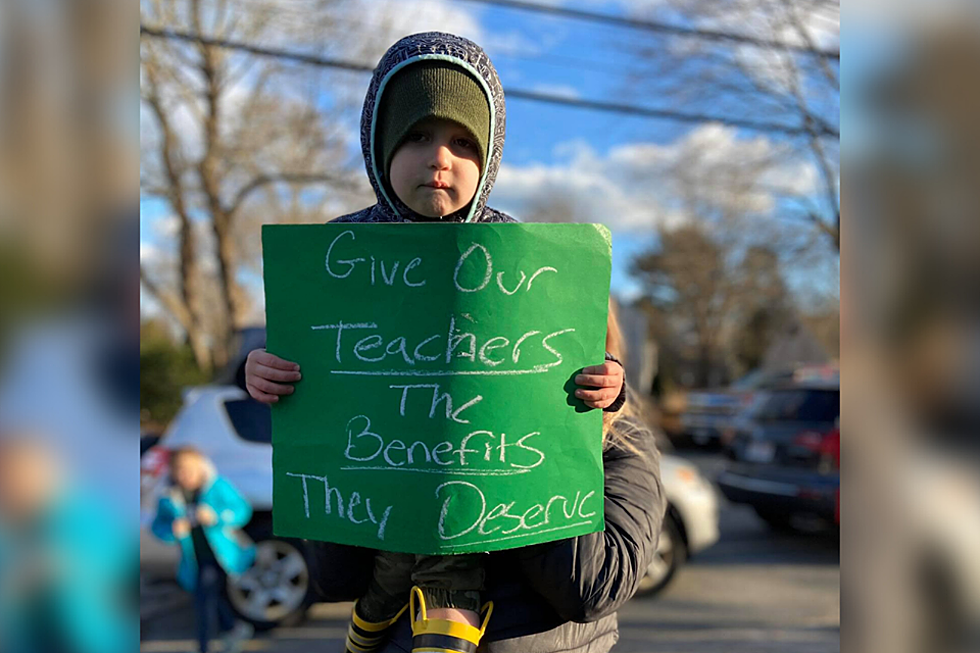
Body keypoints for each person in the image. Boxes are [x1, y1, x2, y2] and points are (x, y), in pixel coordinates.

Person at [243, 31, 655, 653]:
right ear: (378, 145)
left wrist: (599, 396)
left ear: (489, 160)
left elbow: (591, 584)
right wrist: (269, 378)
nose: (440, 157)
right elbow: (334, 567)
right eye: (417, 135)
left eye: (464, 142)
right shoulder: (339, 267)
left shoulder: (522, 267)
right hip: (385, 551)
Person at [150, 447, 256, 653]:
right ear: (172, 471)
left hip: (223, 557)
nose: (185, 475)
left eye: (190, 469)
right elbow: (157, 526)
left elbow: (242, 510)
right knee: (211, 597)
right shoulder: (169, 497)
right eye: (179, 470)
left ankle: (204, 646)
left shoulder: (217, 487)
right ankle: (233, 627)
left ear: (201, 467)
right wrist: (173, 530)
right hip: (193, 559)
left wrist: (216, 516)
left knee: (203, 601)